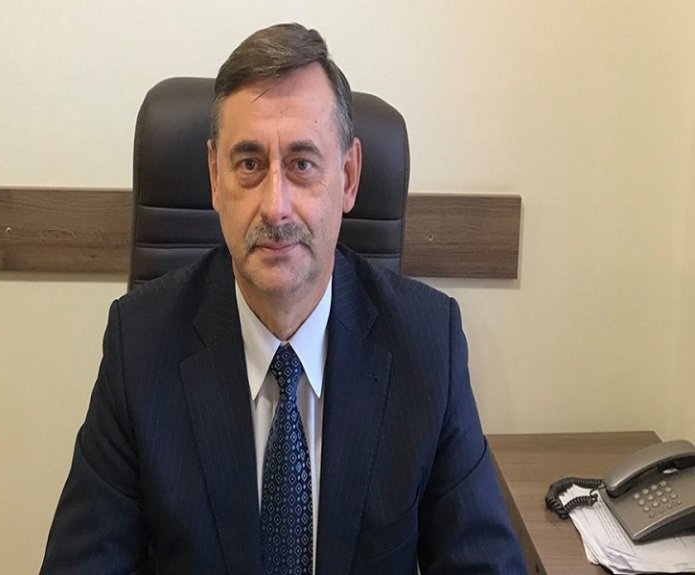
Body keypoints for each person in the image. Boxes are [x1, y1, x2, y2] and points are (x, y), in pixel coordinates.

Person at [40, 22, 526, 575]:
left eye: (302, 164)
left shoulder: (427, 346)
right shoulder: (140, 346)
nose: (275, 207)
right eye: (249, 164)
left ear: (348, 177)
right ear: (215, 178)